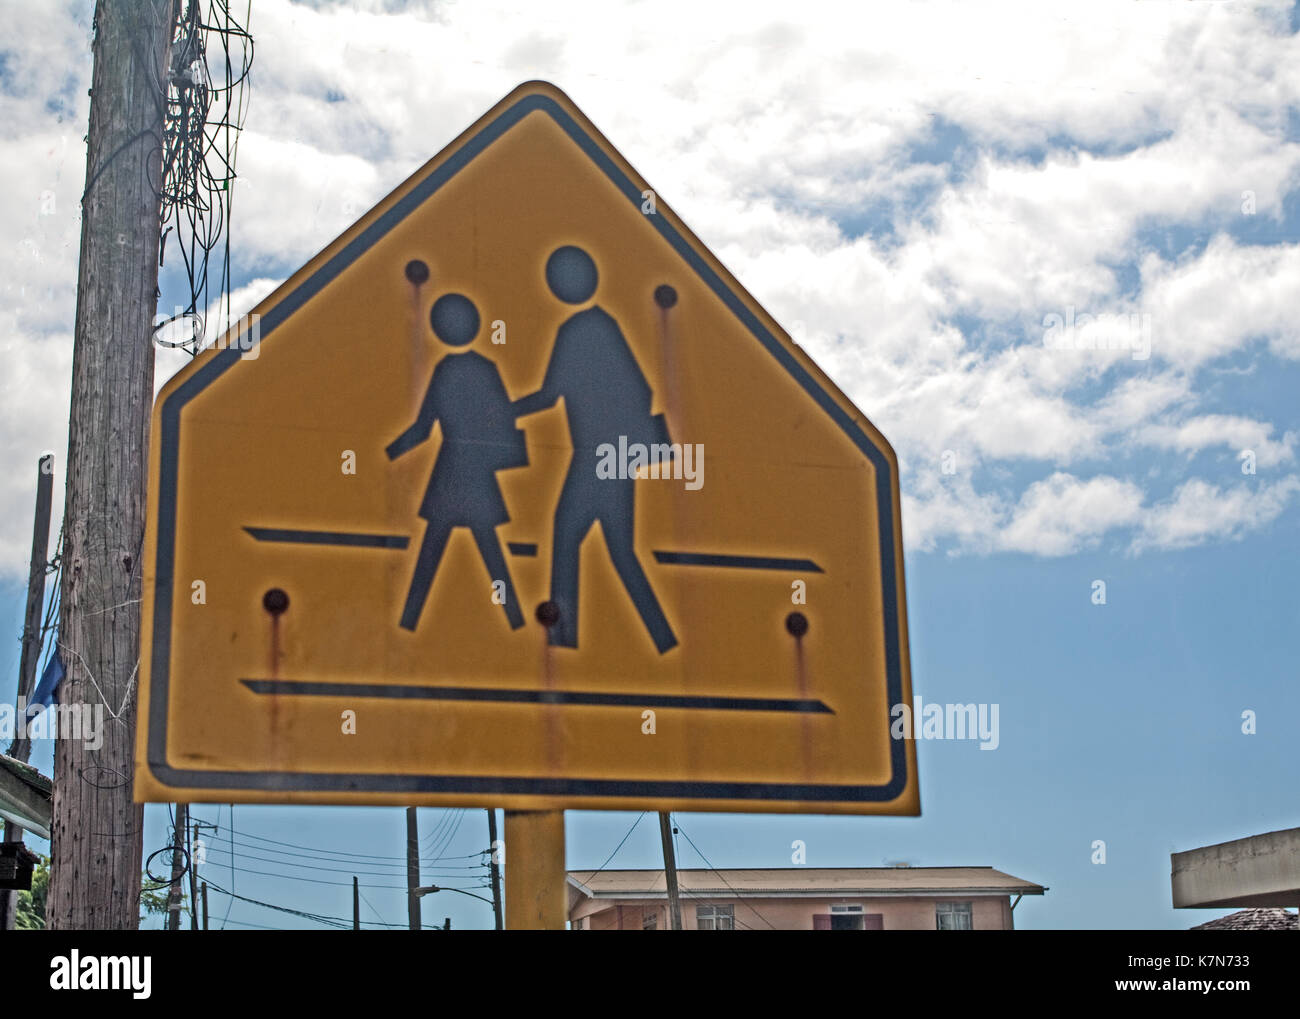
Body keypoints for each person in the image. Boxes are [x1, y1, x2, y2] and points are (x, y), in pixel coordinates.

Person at [514, 245, 677, 654]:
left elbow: (551, 394)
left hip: (597, 457)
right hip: (613, 457)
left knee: (568, 534)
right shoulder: (603, 325)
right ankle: (663, 639)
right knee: (619, 551)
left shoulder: (580, 330)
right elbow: (642, 389)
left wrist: (503, 413)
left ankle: (562, 638)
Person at [387, 292, 527, 632]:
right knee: (486, 550)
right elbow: (504, 418)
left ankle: (409, 622)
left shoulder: (446, 370)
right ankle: (515, 619)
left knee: (434, 552)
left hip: (452, 472)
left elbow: (424, 428)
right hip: (475, 471)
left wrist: (389, 452)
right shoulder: (486, 369)